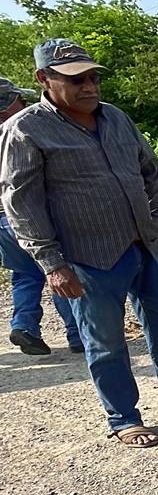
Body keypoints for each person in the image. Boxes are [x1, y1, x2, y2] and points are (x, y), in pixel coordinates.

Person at [0, 39, 158, 447]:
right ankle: (124, 418)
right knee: (105, 341)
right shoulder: (25, 129)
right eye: (75, 79)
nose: (89, 86)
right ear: (43, 79)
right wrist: (52, 264)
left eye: (92, 77)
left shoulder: (116, 119)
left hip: (144, 245)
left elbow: (151, 172)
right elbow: (21, 203)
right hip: (86, 258)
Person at [0, 76, 81, 355]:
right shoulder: (22, 131)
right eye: (18, 99)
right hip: (30, 218)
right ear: (7, 105)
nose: (24, 103)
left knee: (24, 275)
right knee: (59, 269)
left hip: (2, 224)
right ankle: (78, 333)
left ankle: (24, 326)